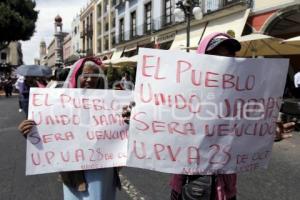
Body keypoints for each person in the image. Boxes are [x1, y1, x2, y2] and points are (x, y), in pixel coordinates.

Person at [168, 32, 296, 200]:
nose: (224, 64)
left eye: (229, 58)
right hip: (191, 186)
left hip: (226, 190)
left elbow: (243, 133)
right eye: (217, 58)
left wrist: (268, 134)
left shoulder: (239, 97)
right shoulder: (182, 95)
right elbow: (164, 131)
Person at [18, 58, 120, 200]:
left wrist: (127, 117)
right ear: (77, 76)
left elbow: (122, 129)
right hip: (74, 170)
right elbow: (49, 129)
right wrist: (30, 132)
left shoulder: (111, 102)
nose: (90, 80)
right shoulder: (59, 101)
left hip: (101, 167)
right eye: (85, 75)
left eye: (94, 76)